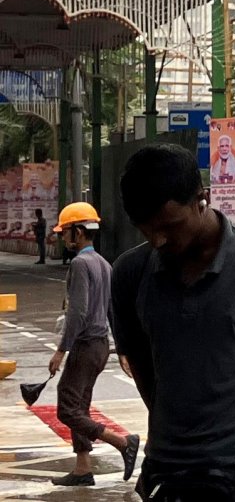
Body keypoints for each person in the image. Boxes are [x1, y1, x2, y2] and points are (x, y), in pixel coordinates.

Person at [112, 144, 235, 502]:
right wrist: (176, 430)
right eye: (145, 230)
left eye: (169, 226)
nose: (158, 240)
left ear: (201, 199)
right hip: (167, 473)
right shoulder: (130, 274)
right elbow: (142, 366)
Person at [48, 202, 140, 487]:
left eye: (65, 232)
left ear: (78, 232)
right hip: (101, 346)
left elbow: (77, 313)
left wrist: (61, 351)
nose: (63, 238)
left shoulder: (80, 264)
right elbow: (114, 310)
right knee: (81, 405)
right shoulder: (103, 263)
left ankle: (122, 442)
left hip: (85, 346)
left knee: (67, 408)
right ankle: (82, 467)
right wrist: (121, 349)